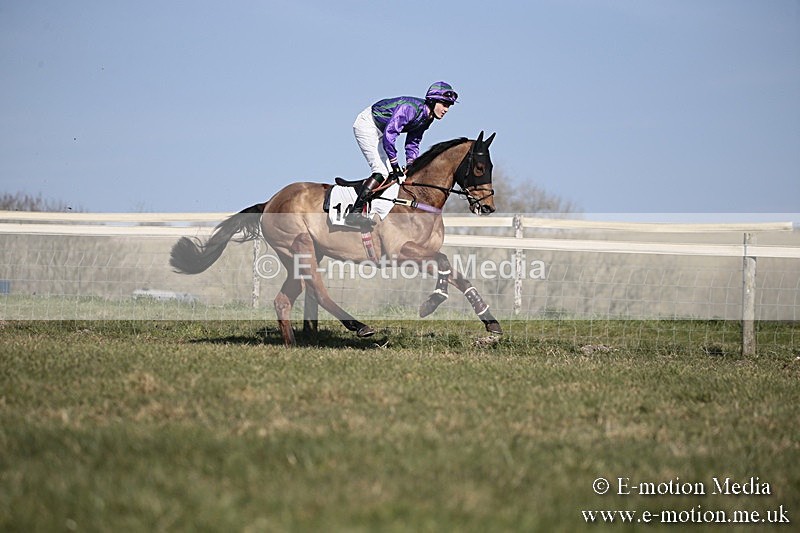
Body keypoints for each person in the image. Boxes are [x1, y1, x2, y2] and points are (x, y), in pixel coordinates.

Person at [345, 81, 458, 228]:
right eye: (444, 104)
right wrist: (395, 163)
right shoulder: (409, 109)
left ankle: (374, 210)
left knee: (391, 174)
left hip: (381, 131)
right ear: (433, 100)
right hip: (368, 125)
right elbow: (390, 135)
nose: (446, 109)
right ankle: (354, 213)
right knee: (381, 171)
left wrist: (412, 164)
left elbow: (413, 142)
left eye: (448, 106)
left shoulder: (427, 118)